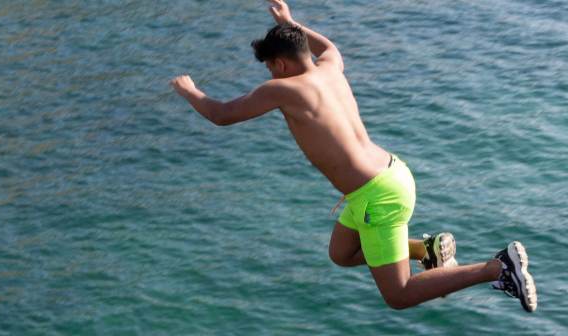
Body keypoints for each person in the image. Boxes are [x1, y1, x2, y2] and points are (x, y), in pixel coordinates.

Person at [170, 1, 536, 313]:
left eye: (268, 66)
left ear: (280, 64)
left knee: (398, 294)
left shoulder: (283, 89)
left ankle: (496, 268)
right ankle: (425, 250)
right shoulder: (330, 67)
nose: (268, 73)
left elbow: (221, 115)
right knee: (342, 253)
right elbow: (328, 45)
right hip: (389, 175)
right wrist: (289, 22)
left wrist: (189, 90)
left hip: (378, 194)